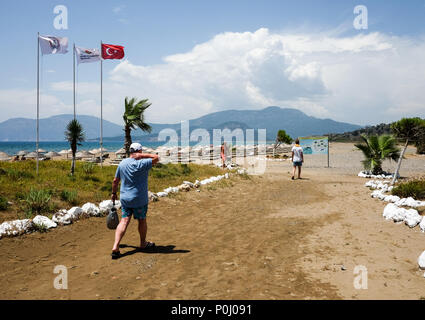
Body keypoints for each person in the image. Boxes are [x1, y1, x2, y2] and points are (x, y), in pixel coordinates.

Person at [111, 142, 159, 259]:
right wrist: (142, 156)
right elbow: (156, 158)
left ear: (130, 151)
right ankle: (143, 244)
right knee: (142, 220)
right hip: (139, 199)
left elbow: (115, 181)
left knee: (124, 221)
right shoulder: (142, 163)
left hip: (125, 198)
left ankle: (115, 247)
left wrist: (113, 193)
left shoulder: (122, 163)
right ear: (139, 152)